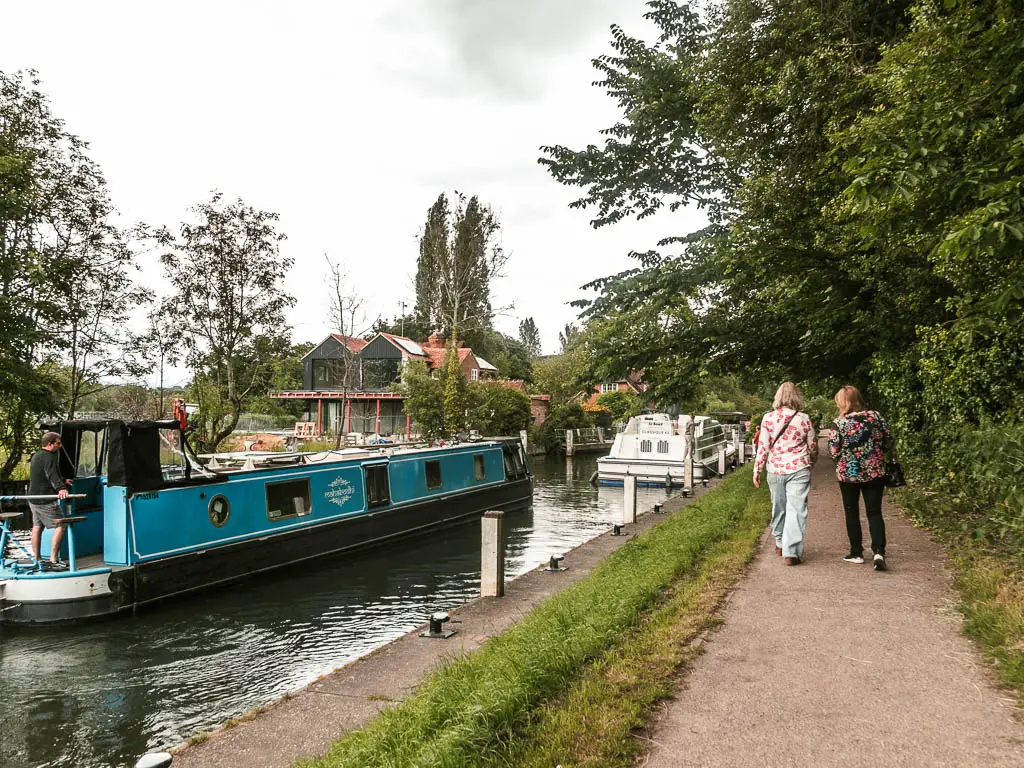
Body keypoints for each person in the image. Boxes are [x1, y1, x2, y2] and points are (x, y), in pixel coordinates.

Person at [828, 385, 894, 571]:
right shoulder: (876, 417)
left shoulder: (839, 423)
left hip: (849, 473)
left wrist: (843, 460)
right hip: (875, 471)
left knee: (852, 512)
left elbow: (834, 450)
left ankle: (856, 552)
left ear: (842, 402)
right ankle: (879, 552)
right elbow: (888, 441)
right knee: (874, 512)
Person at [753, 382, 817, 565]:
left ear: (777, 397)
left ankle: (780, 542)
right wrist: (811, 462)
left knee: (778, 507)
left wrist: (757, 470)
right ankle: (791, 552)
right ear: (797, 397)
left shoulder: (768, 418)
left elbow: (762, 448)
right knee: (796, 510)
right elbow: (812, 446)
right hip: (799, 468)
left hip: (775, 469)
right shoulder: (804, 418)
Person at [29, 431, 72, 566]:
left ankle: (37, 559)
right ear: (50, 444)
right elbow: (51, 475)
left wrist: (63, 480)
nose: (60, 446)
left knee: (37, 527)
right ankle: (54, 559)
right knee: (61, 524)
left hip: (33, 498)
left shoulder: (37, 455)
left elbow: (44, 475)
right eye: (58, 443)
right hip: (44, 499)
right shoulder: (49, 457)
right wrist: (61, 488)